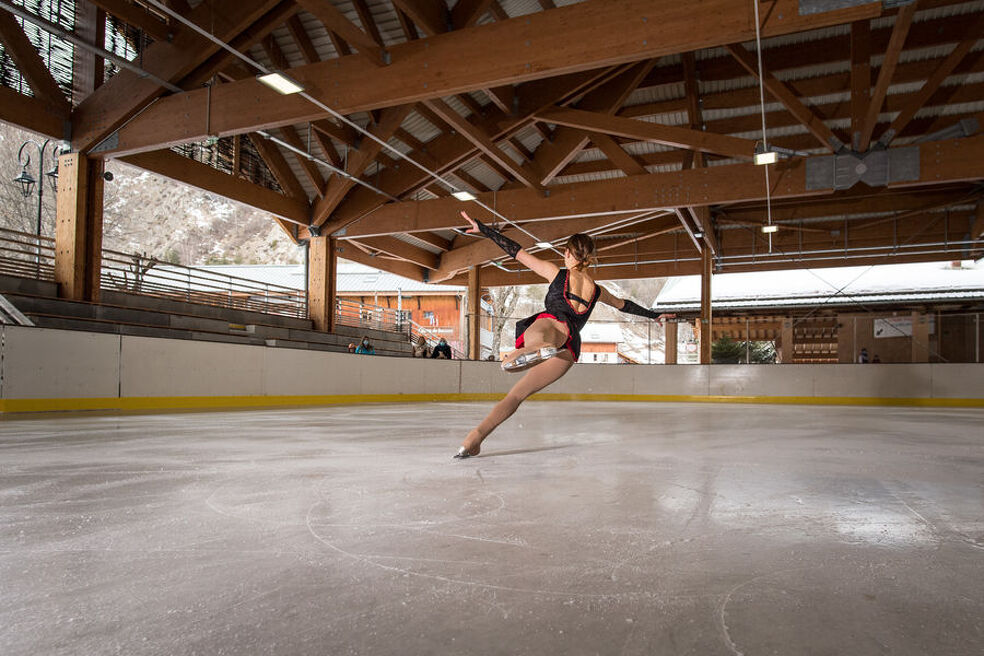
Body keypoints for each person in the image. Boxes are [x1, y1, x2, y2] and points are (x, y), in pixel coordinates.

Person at [453, 210, 671, 459]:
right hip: (568, 348)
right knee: (518, 394)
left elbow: (516, 251)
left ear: (567, 253)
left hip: (552, 324)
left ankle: (533, 351)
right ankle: (476, 439)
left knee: (533, 350)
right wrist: (655, 316)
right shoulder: (597, 291)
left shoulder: (557, 274)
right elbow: (625, 305)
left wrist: (485, 230)